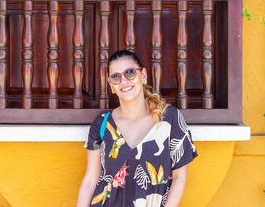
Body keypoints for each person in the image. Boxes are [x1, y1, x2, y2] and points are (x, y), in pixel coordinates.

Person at [77, 50, 197, 207]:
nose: (124, 81)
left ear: (143, 75)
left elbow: (180, 176)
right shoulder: (101, 125)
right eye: (116, 77)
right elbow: (90, 180)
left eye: (130, 73)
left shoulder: (170, 119)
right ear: (111, 84)